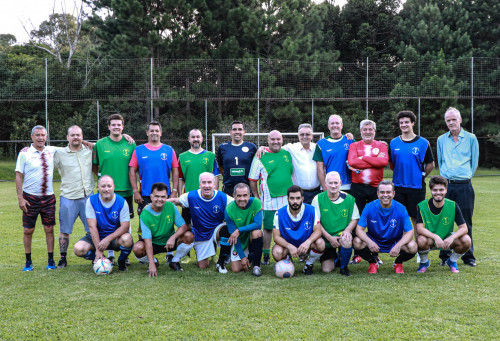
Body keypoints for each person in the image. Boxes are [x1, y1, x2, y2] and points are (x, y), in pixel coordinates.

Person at [129, 121, 179, 262]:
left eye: (157, 131)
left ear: (161, 133)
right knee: (143, 228)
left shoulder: (169, 150)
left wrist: (174, 191)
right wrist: (135, 191)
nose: (154, 133)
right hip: (145, 195)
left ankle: (170, 253)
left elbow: (175, 170)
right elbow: (132, 170)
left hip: (165, 195)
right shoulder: (139, 150)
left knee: (168, 223)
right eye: (151, 131)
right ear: (147, 133)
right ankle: (148, 257)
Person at [437, 107, 479, 267]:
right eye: (448, 120)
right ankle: (444, 256)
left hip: (464, 186)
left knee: (466, 222)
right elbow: (441, 162)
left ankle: (468, 257)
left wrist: (464, 175)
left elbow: (474, 163)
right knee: (444, 221)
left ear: (460, 120)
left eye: (454, 119)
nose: (451, 122)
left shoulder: (471, 138)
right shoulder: (441, 140)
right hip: (446, 186)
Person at [167, 172, 233, 271]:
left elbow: (237, 204)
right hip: (200, 233)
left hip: (216, 230)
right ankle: (204, 251)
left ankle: (222, 261)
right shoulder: (191, 196)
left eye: (209, 182)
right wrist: (154, 204)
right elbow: (175, 201)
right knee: (203, 265)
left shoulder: (222, 197)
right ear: (200, 185)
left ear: (214, 184)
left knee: (227, 230)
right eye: (204, 183)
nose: (207, 185)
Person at [92, 113, 136, 263]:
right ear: (109, 127)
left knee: (125, 223)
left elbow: (134, 167)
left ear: (123, 127)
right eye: (113, 124)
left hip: (125, 190)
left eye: (119, 124)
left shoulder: (130, 144)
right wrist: (101, 181)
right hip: (106, 191)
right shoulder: (100, 144)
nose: (116, 127)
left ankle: (126, 253)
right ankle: (109, 254)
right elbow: (94, 165)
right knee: (105, 222)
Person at [15, 125, 58, 271]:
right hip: (30, 198)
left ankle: (51, 261)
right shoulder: (24, 153)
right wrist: (20, 198)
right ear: (32, 136)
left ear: (46, 137)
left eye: (43, 135)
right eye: (37, 135)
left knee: (49, 228)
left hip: (48, 198)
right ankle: (28, 261)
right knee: (28, 230)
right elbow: (18, 175)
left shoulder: (52, 151)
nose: (40, 138)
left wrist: (89, 143)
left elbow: (73, 144)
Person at [248, 130, 294, 265]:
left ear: (282, 140)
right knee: (268, 227)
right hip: (269, 200)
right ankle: (266, 255)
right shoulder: (260, 155)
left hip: (287, 199)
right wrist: (256, 195)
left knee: (286, 226)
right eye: (272, 139)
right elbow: (252, 178)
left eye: (278, 139)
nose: (276, 142)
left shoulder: (287, 153)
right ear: (268, 140)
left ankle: (287, 253)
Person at [353, 180, 417, 274]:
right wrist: (370, 242)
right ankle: (373, 262)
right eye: (382, 192)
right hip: (374, 240)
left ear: (393, 194)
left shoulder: (401, 208)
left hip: (395, 241)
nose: (385, 195)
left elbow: (409, 232)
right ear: (378, 194)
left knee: (413, 246)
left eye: (388, 192)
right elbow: (359, 229)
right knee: (356, 242)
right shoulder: (369, 207)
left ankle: (398, 263)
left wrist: (398, 246)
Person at [347, 119, 388, 265]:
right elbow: (352, 162)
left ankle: (375, 254)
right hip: (357, 187)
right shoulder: (354, 145)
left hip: (375, 188)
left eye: (370, 129)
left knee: (374, 221)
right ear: (360, 131)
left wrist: (363, 158)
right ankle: (357, 253)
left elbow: (383, 162)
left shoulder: (381, 145)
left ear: (374, 131)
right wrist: (373, 160)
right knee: (356, 219)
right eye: (365, 129)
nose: (368, 132)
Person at [53, 125, 94, 268]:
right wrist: (28, 148)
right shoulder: (59, 153)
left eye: (78, 135)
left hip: (88, 196)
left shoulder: (90, 151)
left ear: (82, 137)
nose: (76, 137)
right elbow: (43, 154)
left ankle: (96, 256)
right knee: (64, 229)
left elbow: (107, 143)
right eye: (73, 135)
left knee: (92, 228)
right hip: (68, 197)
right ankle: (63, 258)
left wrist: (126, 136)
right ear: (67, 137)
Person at [132, 182, 193, 277]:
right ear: (151, 197)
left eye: (163, 197)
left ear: (166, 197)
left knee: (189, 236)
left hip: (170, 242)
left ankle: (175, 261)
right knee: (138, 248)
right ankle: (154, 261)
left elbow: (183, 226)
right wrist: (151, 264)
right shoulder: (144, 214)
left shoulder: (171, 206)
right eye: (156, 196)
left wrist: (173, 237)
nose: (159, 199)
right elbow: (147, 241)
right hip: (153, 244)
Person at [73, 175, 133, 271]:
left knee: (127, 239)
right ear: (98, 187)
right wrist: (98, 249)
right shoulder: (91, 201)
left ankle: (122, 261)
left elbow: (125, 227)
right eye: (103, 186)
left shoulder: (122, 202)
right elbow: (92, 226)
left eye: (109, 186)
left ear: (114, 187)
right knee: (78, 249)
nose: (106, 189)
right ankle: (100, 258)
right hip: (97, 237)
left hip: (114, 238)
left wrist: (108, 239)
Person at [415, 176, 471, 273]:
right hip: (430, 239)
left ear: (446, 190)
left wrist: (451, 238)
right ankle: (424, 262)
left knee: (466, 240)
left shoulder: (453, 205)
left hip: (447, 240)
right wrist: (435, 236)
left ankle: (452, 261)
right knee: (420, 240)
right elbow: (419, 229)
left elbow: (464, 228)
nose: (438, 193)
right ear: (431, 190)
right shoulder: (422, 206)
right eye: (435, 190)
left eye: (441, 189)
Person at [389, 111, 435, 228]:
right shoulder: (394, 143)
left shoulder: (423, 143)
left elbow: (431, 164)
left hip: (416, 186)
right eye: (401, 123)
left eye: (406, 122)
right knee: (399, 218)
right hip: (398, 186)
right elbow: (391, 163)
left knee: (416, 219)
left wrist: (421, 175)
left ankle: (418, 245)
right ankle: (400, 245)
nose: (404, 125)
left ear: (413, 123)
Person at [256, 124, 321, 205]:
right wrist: (262, 147)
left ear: (312, 136)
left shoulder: (318, 148)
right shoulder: (291, 148)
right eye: (302, 134)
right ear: (298, 135)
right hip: (298, 194)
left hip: (317, 192)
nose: (305, 137)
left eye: (307, 134)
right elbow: (275, 146)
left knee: (316, 216)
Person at [311, 171, 359, 276]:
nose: (333, 186)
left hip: (341, 235)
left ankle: (344, 267)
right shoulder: (318, 199)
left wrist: (347, 231)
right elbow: (317, 223)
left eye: (336, 183)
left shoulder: (349, 199)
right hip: (325, 238)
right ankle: (336, 257)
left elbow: (354, 219)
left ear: (340, 183)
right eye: (330, 183)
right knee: (327, 269)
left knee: (346, 239)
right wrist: (329, 238)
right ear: (325, 183)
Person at [272, 185, 325, 275]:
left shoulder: (311, 210)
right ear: (287, 199)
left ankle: (309, 264)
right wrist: (289, 246)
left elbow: (318, 231)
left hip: (305, 245)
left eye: (298, 198)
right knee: (277, 252)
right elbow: (276, 237)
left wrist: (308, 242)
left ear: (302, 199)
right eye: (292, 198)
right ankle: (288, 263)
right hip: (288, 245)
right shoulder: (279, 213)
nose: (295, 201)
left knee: (320, 243)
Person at [178, 129, 220, 238]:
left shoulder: (210, 156)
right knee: (186, 226)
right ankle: (186, 251)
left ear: (202, 139)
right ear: (189, 139)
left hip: (207, 198)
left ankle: (210, 253)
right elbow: (180, 179)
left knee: (209, 226)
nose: (195, 139)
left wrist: (216, 195)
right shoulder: (182, 157)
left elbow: (215, 177)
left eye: (198, 137)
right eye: (193, 137)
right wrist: (180, 197)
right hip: (189, 198)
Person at [224, 183, 263, 276]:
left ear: (250, 195)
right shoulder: (229, 210)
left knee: (257, 233)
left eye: (245, 195)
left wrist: (239, 230)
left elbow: (258, 224)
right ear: (234, 196)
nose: (242, 199)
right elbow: (234, 237)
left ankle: (256, 266)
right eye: (239, 196)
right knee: (236, 269)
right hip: (239, 241)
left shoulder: (256, 202)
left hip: (251, 237)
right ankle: (249, 257)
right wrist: (242, 257)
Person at [314, 115, 354, 192]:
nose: (335, 125)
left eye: (337, 123)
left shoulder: (350, 140)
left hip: (347, 185)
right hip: (329, 185)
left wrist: (380, 144)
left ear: (341, 125)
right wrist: (324, 187)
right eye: (332, 123)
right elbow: (320, 169)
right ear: (328, 126)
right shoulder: (321, 144)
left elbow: (364, 146)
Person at [216, 121, 257, 196]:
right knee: (228, 208)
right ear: (230, 132)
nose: (237, 132)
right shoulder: (222, 147)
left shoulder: (252, 147)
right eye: (234, 129)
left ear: (244, 132)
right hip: (229, 188)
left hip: (247, 188)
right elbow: (221, 165)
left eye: (240, 129)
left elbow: (256, 165)